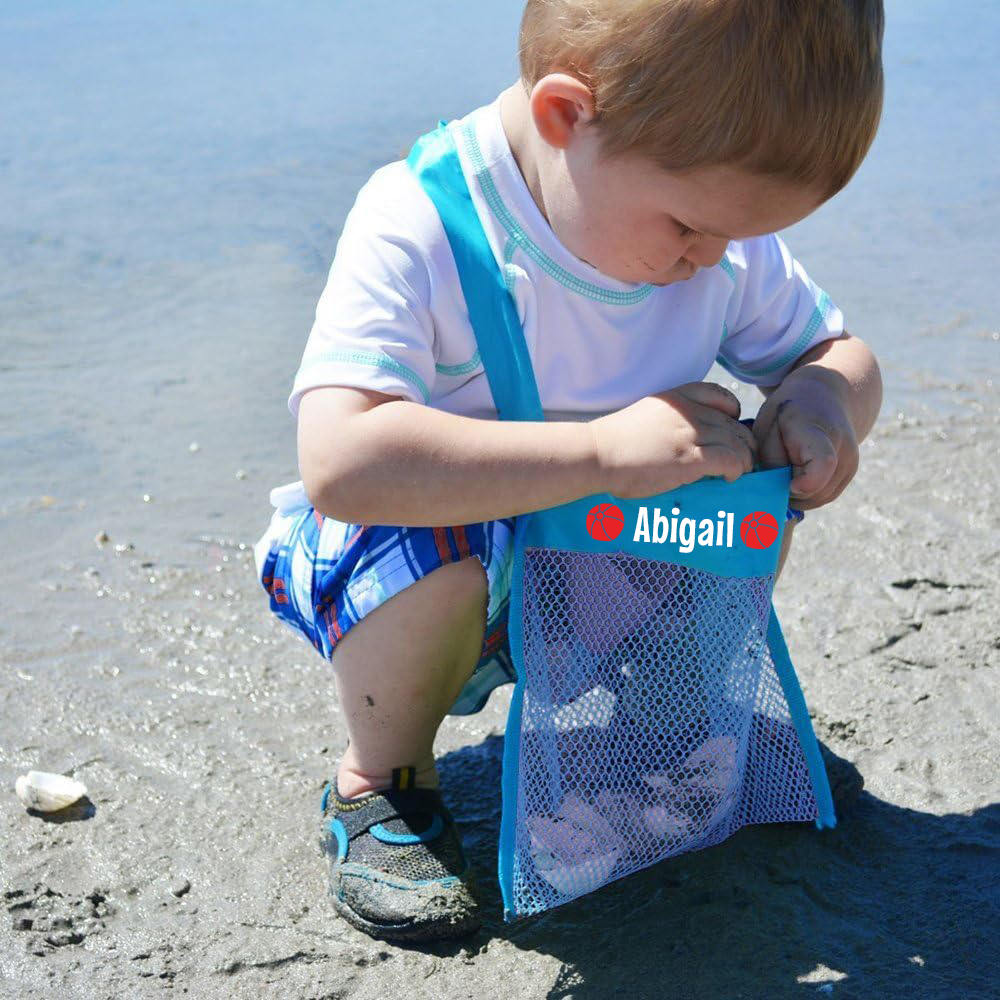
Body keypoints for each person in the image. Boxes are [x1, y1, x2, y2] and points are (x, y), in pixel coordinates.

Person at [254, 0, 885, 943]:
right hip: (430, 577)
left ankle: (666, 728)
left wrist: (824, 404)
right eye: (691, 227)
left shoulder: (709, 223)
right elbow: (342, 463)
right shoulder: (420, 222)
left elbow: (834, 348)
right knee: (423, 532)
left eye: (736, 234)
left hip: (603, 560)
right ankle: (381, 783)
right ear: (565, 117)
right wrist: (599, 452)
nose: (713, 260)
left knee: (738, 470)